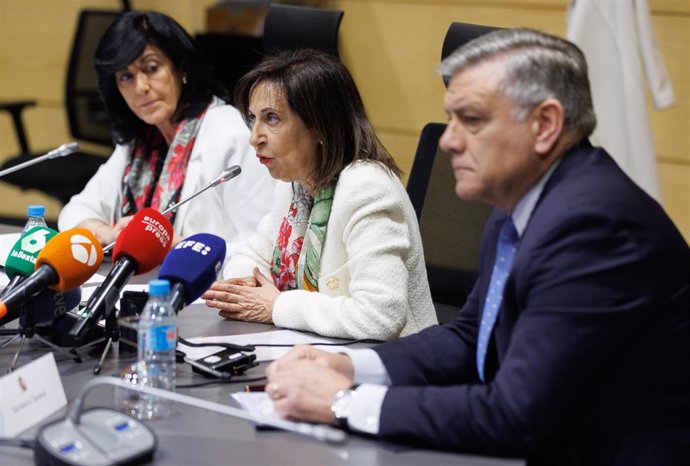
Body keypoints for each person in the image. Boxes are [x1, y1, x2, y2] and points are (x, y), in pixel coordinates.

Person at [263, 29, 690, 465]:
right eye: (451, 119)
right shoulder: (521, 204)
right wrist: (350, 367)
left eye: (471, 119)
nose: (448, 141)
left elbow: (516, 416)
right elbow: (472, 338)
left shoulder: (595, 226)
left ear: (545, 124)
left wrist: (345, 402)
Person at [202, 49, 437, 340]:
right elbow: (251, 256)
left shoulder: (367, 188)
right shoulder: (295, 185)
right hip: (318, 353)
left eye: (272, 119)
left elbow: (381, 316)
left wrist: (277, 305)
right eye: (253, 119)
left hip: (394, 367)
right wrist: (253, 288)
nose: (255, 137)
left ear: (320, 126)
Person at [58, 11, 274, 246]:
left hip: (210, 280)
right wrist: (108, 234)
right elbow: (75, 211)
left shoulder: (232, 135)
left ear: (181, 67)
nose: (141, 87)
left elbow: (263, 249)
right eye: (126, 76)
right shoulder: (141, 141)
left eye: (151, 68)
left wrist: (179, 247)